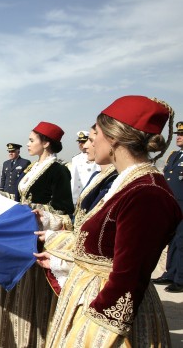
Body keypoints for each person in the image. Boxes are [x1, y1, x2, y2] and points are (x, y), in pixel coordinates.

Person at [46, 95, 181, 347]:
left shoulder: (147, 193)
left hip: (106, 317)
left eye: (94, 132)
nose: (90, 140)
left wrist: (92, 334)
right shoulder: (127, 183)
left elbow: (128, 277)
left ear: (114, 136)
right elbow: (100, 247)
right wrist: (57, 258)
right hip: (90, 296)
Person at [0, 121, 74, 347]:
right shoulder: (31, 168)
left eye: (31, 140)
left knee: (33, 293)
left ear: (46, 143)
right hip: (21, 235)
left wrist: (38, 212)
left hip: (39, 238)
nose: (28, 144)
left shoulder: (59, 170)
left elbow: (64, 211)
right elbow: (22, 200)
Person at [36, 125, 118, 294]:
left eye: (91, 139)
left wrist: (59, 248)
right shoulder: (99, 177)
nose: (85, 146)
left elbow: (103, 245)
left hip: (106, 285)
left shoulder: (121, 183)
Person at [152, 121, 183, 292]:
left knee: (182, 241)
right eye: (178, 134)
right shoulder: (174, 155)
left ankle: (181, 278)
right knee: (171, 240)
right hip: (173, 204)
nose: (179, 137)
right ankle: (170, 273)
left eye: (182, 134)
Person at [70, 130, 100, 204]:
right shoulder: (75, 159)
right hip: (75, 198)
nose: (80, 144)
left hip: (89, 197)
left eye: (83, 142)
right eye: (79, 142)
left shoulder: (96, 157)